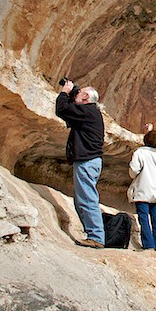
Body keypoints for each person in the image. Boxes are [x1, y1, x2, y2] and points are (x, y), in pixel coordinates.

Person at [55, 80, 105, 249]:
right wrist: (72, 93)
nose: (76, 94)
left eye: (79, 93)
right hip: (89, 162)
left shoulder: (87, 112)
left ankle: (96, 236)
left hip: (87, 162)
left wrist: (65, 92)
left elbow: (61, 110)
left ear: (85, 97)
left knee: (87, 199)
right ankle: (93, 234)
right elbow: (70, 112)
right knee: (81, 200)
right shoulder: (90, 112)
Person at [128, 128, 156, 251]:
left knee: (143, 218)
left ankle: (148, 245)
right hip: (155, 192)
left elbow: (134, 170)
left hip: (142, 190)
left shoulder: (140, 152)